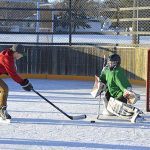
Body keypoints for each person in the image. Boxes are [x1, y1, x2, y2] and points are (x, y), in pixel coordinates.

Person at [98, 53, 143, 122]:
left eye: (112, 63)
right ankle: (110, 110)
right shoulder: (107, 70)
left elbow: (125, 85)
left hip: (120, 96)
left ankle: (134, 114)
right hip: (111, 94)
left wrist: (129, 92)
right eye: (109, 62)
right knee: (105, 99)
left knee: (117, 109)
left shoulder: (118, 73)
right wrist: (101, 82)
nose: (110, 64)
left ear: (117, 63)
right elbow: (103, 78)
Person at [0, 44, 33, 121]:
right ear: (17, 53)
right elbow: (13, 75)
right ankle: (2, 110)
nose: (21, 56)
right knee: (4, 89)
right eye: (21, 55)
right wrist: (24, 83)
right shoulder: (7, 58)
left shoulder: (9, 53)